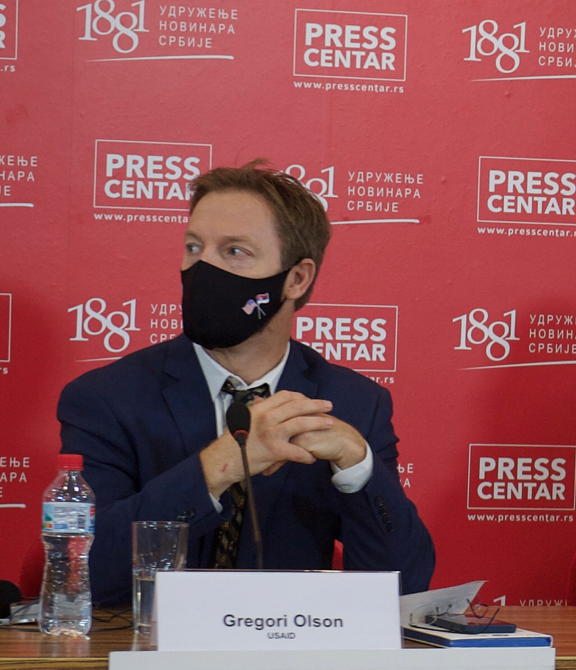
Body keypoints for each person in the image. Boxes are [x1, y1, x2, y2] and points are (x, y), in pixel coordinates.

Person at [57, 163, 435, 601]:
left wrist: (359, 467)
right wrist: (218, 466)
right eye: (194, 247)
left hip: (288, 639)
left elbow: (403, 587)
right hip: (147, 640)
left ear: (296, 279)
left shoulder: (351, 402)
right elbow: (79, 575)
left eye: (234, 251)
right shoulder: (107, 398)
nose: (203, 267)